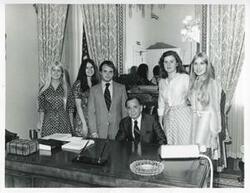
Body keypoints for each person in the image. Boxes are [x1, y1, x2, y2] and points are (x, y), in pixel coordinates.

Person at [188, 52, 221, 158]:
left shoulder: (211, 83)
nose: (198, 67)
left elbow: (215, 111)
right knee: (195, 155)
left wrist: (214, 135)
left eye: (202, 63)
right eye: (196, 64)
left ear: (207, 65)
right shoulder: (194, 81)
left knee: (203, 156)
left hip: (206, 123)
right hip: (195, 121)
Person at [158, 50, 192, 145]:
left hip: (184, 116)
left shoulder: (185, 78)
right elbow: (161, 102)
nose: (168, 64)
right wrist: (160, 120)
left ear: (177, 63)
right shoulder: (162, 82)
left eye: (171, 61)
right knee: (171, 145)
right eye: (166, 62)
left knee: (184, 144)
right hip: (168, 117)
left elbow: (193, 97)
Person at [88, 60, 128, 139]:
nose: (107, 74)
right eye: (105, 71)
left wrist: (125, 131)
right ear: (100, 72)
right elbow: (91, 112)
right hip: (99, 131)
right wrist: (93, 131)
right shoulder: (93, 90)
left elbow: (125, 111)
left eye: (110, 72)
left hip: (117, 131)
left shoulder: (121, 88)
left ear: (113, 73)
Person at [37, 61, 74, 137]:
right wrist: (40, 124)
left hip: (64, 123)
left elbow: (70, 109)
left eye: (58, 70)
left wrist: (71, 125)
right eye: (53, 70)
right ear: (50, 72)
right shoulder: (43, 89)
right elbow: (41, 109)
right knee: (49, 147)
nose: (56, 73)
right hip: (48, 124)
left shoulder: (67, 88)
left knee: (63, 147)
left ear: (62, 73)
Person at [72, 58, 99, 137]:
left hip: (95, 119)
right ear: (83, 69)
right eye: (87, 68)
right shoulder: (78, 84)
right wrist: (84, 124)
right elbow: (78, 106)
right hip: (82, 119)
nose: (90, 70)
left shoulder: (97, 83)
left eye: (91, 67)